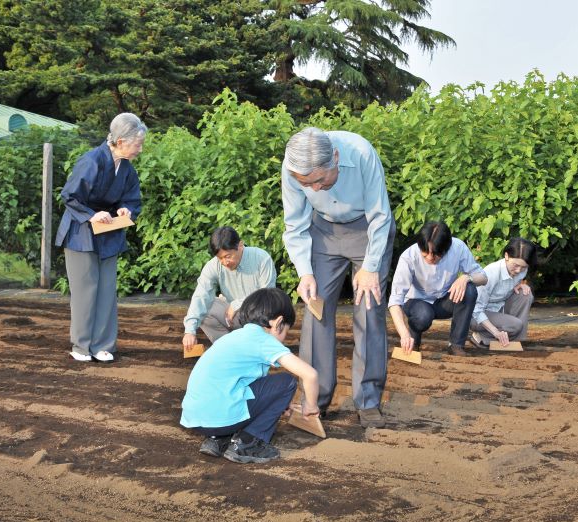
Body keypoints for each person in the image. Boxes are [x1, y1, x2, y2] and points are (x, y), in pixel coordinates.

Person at [281, 127, 395, 429]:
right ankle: (314, 399)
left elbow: (380, 216)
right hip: (323, 232)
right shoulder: (293, 165)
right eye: (307, 184)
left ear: (335, 158)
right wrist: (304, 272)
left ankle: (368, 401)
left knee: (369, 311)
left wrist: (370, 267)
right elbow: (294, 224)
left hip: (368, 230)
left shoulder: (361, 153)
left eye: (320, 179)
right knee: (316, 310)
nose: (314, 189)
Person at [180, 288, 320, 464]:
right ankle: (247, 442)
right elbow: (310, 375)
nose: (284, 338)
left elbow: (249, 383)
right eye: (286, 331)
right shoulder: (263, 340)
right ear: (279, 322)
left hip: (197, 418)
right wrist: (310, 406)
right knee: (287, 382)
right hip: (220, 417)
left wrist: (275, 402)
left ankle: (218, 439)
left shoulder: (232, 338)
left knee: (264, 386)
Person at [55, 112, 147, 363]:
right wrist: (92, 215)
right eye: (137, 144)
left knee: (106, 290)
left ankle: (103, 345)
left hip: (109, 233)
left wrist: (127, 209)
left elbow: (132, 198)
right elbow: (69, 196)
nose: (140, 149)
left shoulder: (126, 168)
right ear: (120, 141)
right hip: (80, 233)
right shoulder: (92, 160)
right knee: (85, 291)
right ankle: (81, 346)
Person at [389, 221, 486, 356]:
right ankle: (413, 337)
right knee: (423, 316)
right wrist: (404, 334)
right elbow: (395, 301)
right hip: (416, 302)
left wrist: (466, 278)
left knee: (469, 290)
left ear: (447, 248)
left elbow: (483, 277)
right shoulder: (408, 257)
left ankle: (456, 345)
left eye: (435, 254)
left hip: (444, 301)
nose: (430, 257)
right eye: (425, 253)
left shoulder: (458, 248)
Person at [182, 226, 277, 351]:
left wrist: (238, 303)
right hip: (234, 318)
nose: (224, 262)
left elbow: (267, 295)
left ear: (240, 245)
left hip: (261, 318)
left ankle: (255, 346)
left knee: (267, 309)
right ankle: (229, 349)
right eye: (220, 258)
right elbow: (201, 295)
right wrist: (190, 331)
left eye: (228, 256)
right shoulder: (213, 266)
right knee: (207, 307)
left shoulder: (262, 259)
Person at [469, 238, 537, 349]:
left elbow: (512, 282)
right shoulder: (491, 273)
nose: (519, 270)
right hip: (477, 315)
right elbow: (476, 310)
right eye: (515, 265)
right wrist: (495, 331)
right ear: (506, 256)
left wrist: (520, 284)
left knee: (525, 294)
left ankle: (515, 339)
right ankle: (481, 336)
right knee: (516, 325)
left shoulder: (521, 270)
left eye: (524, 267)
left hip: (499, 308)